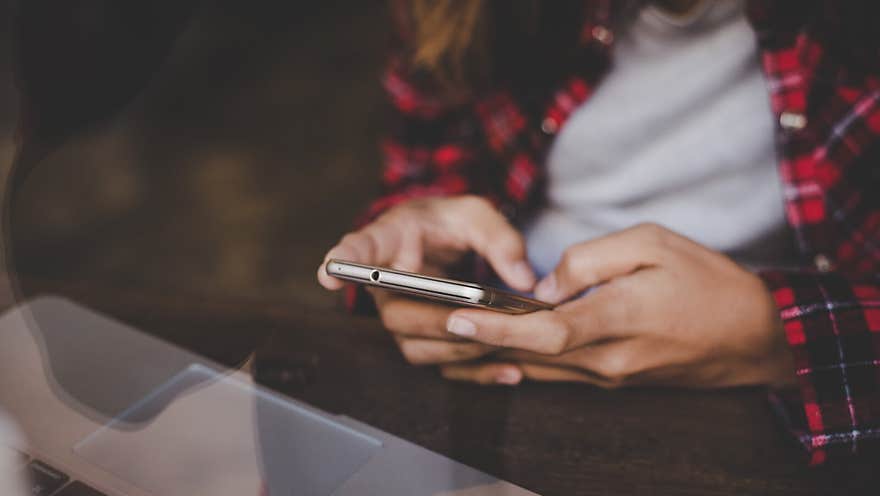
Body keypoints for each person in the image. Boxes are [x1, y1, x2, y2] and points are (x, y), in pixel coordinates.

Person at [318, 0, 880, 465]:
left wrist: (776, 340)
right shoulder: (456, 11)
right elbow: (422, 168)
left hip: (766, 421)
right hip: (510, 388)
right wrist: (416, 233)